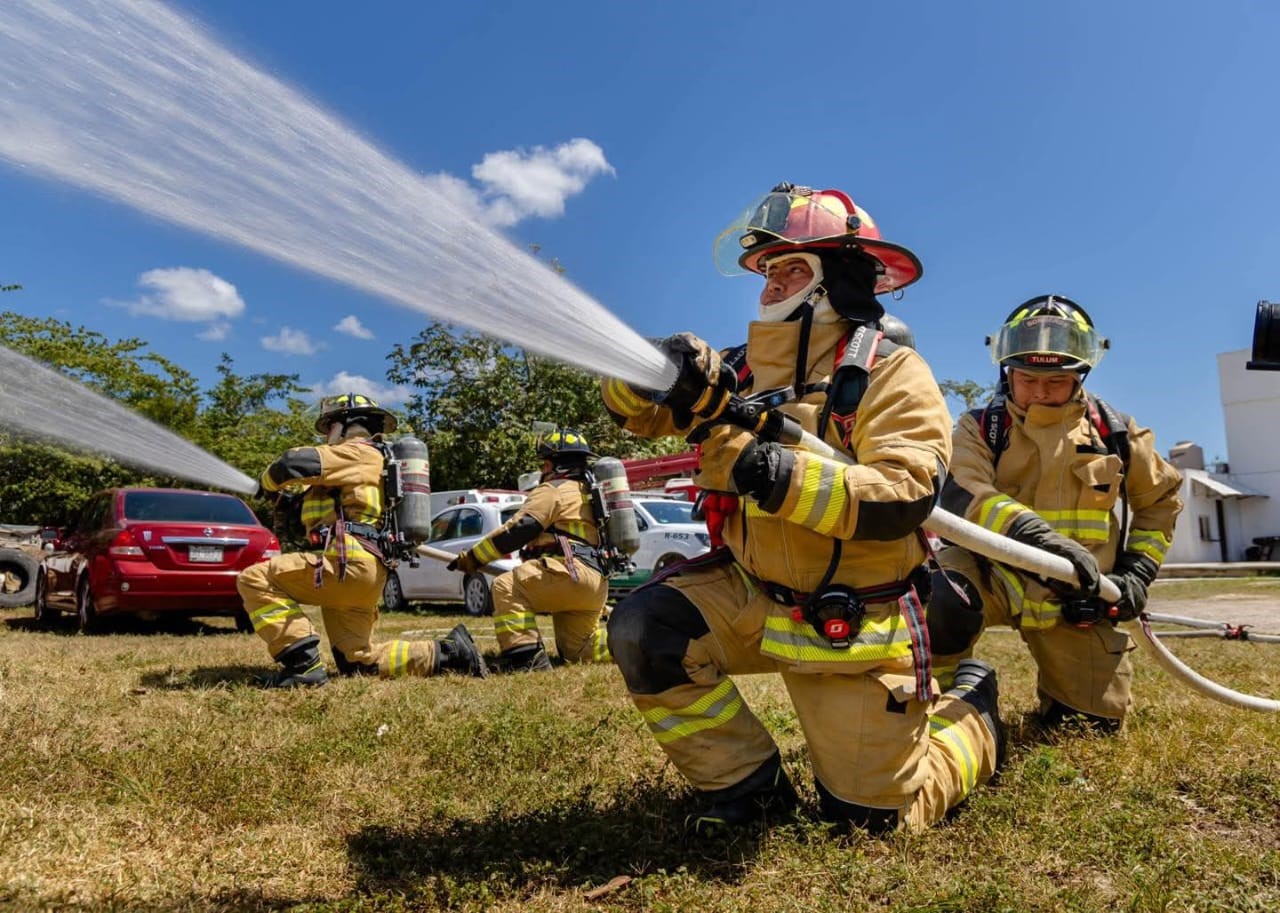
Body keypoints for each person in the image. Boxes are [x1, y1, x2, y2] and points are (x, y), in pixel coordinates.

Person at [599, 183, 1002, 834]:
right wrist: (647, 370)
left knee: (878, 822)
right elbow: (640, 414)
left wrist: (765, 469)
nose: (767, 285)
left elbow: (902, 494)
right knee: (647, 628)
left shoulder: (892, 373)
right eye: (765, 270)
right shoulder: (738, 373)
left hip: (852, 618)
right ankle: (747, 791)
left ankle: (975, 710)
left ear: (834, 280)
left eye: (790, 268)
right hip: (753, 596)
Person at [926, 296, 1183, 731]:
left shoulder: (1115, 433)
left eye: (1056, 381)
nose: (1040, 392)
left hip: (1076, 597)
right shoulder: (979, 427)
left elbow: (1160, 502)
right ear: (1006, 372)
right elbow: (962, 492)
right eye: (1026, 379)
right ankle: (949, 693)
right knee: (940, 595)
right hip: (992, 575)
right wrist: (1037, 540)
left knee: (1086, 726)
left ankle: (1066, 697)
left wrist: (1137, 571)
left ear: (1080, 377)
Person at [238, 392, 487, 687]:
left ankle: (302, 667)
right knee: (358, 662)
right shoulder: (374, 460)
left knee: (255, 578)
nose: (327, 435)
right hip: (365, 573)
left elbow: (293, 462)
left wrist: (266, 481)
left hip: (346, 565)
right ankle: (450, 652)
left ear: (344, 425)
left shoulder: (355, 451)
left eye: (328, 426)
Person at [448, 428, 612, 672]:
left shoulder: (554, 489)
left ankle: (526, 661)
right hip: (595, 582)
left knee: (507, 586)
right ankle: (638, 644)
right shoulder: (587, 493)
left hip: (570, 574)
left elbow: (519, 528)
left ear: (549, 465)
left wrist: (473, 558)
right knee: (578, 649)